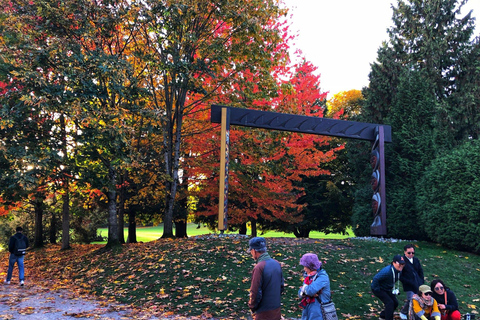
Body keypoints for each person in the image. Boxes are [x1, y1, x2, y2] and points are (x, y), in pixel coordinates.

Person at [247, 237, 284, 320]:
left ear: (254, 251)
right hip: (276, 311)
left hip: (263, 313)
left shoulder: (259, 267)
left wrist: (252, 307)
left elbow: (255, 292)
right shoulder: (276, 264)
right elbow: (281, 287)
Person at [371, 254, 406, 320]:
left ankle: (383, 316)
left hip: (388, 289)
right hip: (380, 288)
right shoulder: (387, 271)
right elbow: (376, 279)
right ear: (394, 263)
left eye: (403, 264)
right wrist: (376, 289)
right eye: (400, 263)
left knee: (395, 303)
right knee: (390, 303)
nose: (401, 265)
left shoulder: (399, 271)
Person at [298, 253, 331, 320]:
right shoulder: (308, 276)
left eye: (305, 266)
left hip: (319, 312)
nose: (304, 269)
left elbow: (310, 290)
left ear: (310, 267)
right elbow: (300, 293)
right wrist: (304, 291)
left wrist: (304, 289)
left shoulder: (322, 277)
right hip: (308, 310)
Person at [400, 244, 425, 319]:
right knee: (411, 299)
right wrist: (408, 282)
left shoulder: (416, 260)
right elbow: (400, 275)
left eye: (412, 253)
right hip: (409, 285)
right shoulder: (402, 261)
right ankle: (403, 312)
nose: (411, 254)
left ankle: (416, 314)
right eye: (409, 253)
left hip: (418, 283)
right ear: (405, 252)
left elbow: (420, 271)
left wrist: (421, 280)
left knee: (419, 299)